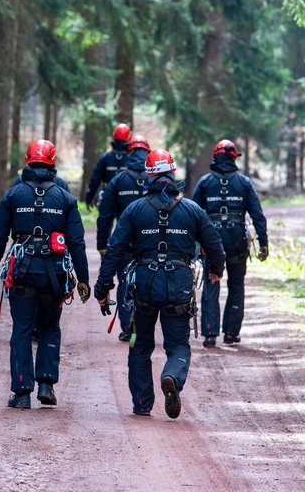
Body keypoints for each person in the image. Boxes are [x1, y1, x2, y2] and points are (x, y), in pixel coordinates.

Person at [94, 149, 225, 419]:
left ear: (149, 175)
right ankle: (172, 377)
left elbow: (115, 247)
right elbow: (214, 244)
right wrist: (217, 270)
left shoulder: (135, 210)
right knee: (178, 344)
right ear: (173, 173)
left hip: (144, 285)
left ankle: (142, 403)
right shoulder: (191, 209)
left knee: (139, 345)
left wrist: (103, 286)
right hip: (178, 286)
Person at [0, 139, 90, 409]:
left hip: (22, 271)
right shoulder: (65, 197)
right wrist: (83, 280)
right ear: (52, 161)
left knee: (21, 328)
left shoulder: (13, 195)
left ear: (27, 159)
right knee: (49, 327)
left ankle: (21, 392)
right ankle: (46, 384)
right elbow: (77, 243)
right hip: (53, 274)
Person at [191, 139, 269, 347]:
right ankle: (231, 333)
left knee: (211, 285)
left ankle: (210, 333)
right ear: (234, 157)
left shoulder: (205, 182)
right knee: (236, 286)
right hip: (237, 243)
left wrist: (192, 245)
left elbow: (192, 215)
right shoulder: (243, 183)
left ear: (215, 157)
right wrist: (263, 243)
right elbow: (257, 215)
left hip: (211, 243)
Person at [96, 135, 151, 341]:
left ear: (129, 153)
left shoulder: (118, 179)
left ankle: (128, 327)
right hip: (150, 242)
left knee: (125, 281)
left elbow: (105, 215)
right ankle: (144, 326)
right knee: (148, 281)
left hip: (124, 241)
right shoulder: (156, 177)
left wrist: (103, 244)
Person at [84, 123, 131, 208]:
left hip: (108, 196)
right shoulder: (131, 159)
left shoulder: (106, 158)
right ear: (128, 138)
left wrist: (89, 198)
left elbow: (95, 179)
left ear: (114, 136)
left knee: (104, 220)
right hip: (126, 198)